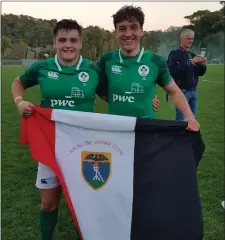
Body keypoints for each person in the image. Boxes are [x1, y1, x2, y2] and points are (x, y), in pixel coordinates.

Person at [11, 18, 159, 240]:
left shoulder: (93, 69)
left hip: (82, 145)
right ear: (55, 42)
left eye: (73, 40)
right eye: (62, 40)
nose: (67, 45)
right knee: (48, 204)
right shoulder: (42, 67)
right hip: (50, 142)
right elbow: (17, 83)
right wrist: (20, 101)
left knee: (86, 204)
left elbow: (117, 90)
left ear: (81, 43)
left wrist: (145, 100)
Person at [96, 5, 200, 132]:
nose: (128, 34)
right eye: (122, 29)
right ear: (116, 32)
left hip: (145, 131)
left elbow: (174, 91)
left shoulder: (155, 61)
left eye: (133, 27)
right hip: (116, 130)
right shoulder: (106, 60)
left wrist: (190, 117)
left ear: (141, 31)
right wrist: (134, 100)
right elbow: (93, 86)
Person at [167, 29, 207, 121]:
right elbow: (171, 71)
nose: (190, 41)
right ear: (181, 38)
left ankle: (190, 136)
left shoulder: (193, 55)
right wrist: (190, 63)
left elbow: (200, 73)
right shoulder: (174, 54)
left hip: (193, 91)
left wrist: (204, 65)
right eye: (188, 38)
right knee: (180, 119)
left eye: (192, 39)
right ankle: (178, 135)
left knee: (192, 120)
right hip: (181, 91)